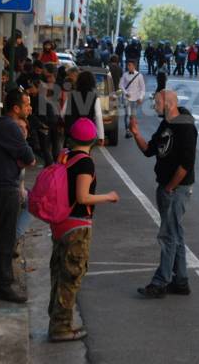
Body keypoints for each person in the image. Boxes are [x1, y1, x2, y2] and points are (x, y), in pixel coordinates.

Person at [48, 118, 119, 342]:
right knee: (71, 276)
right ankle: (61, 327)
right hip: (77, 225)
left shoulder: (65, 155)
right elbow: (82, 197)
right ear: (92, 139)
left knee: (59, 274)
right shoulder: (85, 163)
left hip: (60, 222)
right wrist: (108, 197)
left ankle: (57, 319)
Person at [128, 90, 197, 298]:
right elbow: (150, 150)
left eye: (156, 102)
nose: (154, 106)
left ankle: (160, 282)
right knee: (175, 233)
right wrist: (136, 134)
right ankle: (180, 280)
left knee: (168, 235)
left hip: (177, 189)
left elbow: (186, 164)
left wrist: (170, 187)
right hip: (168, 187)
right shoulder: (166, 123)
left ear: (168, 103)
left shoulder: (185, 127)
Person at [0, 89, 35, 302]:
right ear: (16, 108)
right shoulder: (11, 128)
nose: (28, 108)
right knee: (4, 238)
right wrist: (21, 155)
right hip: (6, 188)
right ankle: (3, 285)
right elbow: (29, 156)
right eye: (25, 105)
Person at [62, 71, 105, 147]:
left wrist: (65, 124)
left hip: (73, 131)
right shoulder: (94, 97)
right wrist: (101, 136)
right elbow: (98, 116)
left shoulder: (71, 95)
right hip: (87, 132)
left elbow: (63, 113)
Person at [121, 59, 146, 138]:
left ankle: (131, 128)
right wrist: (125, 93)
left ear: (134, 66)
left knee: (133, 115)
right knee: (127, 114)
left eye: (130, 65)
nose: (128, 67)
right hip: (126, 98)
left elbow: (143, 88)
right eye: (127, 65)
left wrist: (141, 97)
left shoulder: (139, 75)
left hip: (135, 99)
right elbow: (121, 85)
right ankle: (127, 131)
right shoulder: (125, 75)